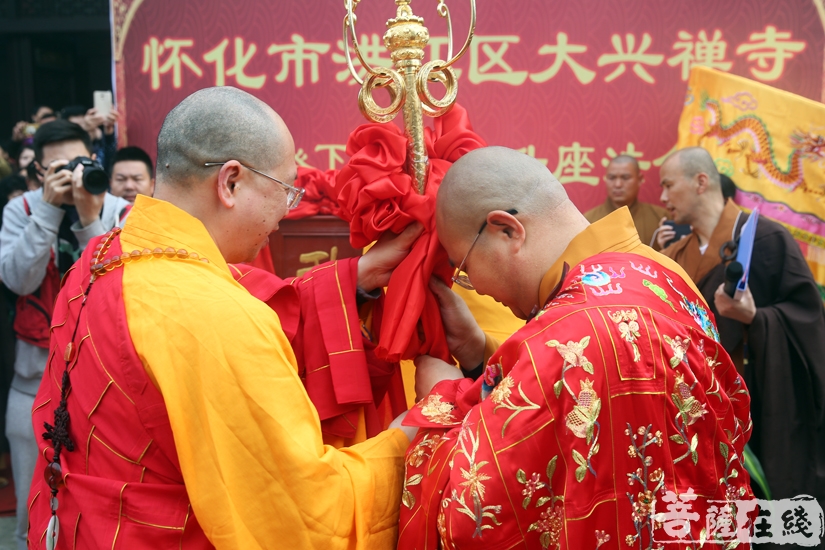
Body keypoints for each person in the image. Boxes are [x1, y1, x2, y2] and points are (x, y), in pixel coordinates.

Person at [27, 87, 419, 549]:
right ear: (230, 182)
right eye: (287, 190)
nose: (285, 212)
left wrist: (355, 280)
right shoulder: (215, 316)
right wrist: (407, 440)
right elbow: (305, 515)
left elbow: (231, 298)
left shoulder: (98, 259)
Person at [398, 147, 753, 549]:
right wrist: (481, 353)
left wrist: (440, 402)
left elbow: (477, 513)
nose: (475, 285)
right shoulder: (664, 273)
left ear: (507, 230)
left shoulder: (567, 336)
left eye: (464, 267)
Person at [657, 146, 825, 503]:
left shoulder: (766, 239)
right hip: (698, 410)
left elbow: (810, 318)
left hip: (763, 403)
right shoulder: (672, 257)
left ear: (701, 181)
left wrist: (756, 318)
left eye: (669, 185)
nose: (662, 197)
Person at [0, 120, 131, 550]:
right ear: (38, 171)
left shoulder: (119, 211)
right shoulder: (18, 211)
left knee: (99, 516)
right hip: (31, 380)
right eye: (57, 167)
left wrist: (91, 218)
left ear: (96, 159)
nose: (72, 173)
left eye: (81, 162)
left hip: (102, 388)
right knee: (28, 515)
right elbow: (18, 280)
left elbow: (120, 289)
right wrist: (48, 212)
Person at [584, 155, 667, 247]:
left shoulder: (660, 217)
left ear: (639, 179)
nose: (618, 184)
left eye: (625, 177)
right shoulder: (588, 220)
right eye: (612, 178)